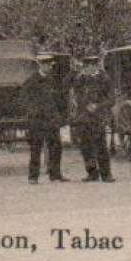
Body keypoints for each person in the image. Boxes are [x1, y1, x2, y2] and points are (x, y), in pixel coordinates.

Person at [69, 54, 114, 183]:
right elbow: (75, 94)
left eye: (90, 67)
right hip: (83, 116)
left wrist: (98, 106)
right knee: (85, 146)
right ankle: (92, 173)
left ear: (95, 66)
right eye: (85, 67)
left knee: (100, 145)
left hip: (98, 117)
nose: (87, 70)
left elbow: (111, 99)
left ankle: (106, 174)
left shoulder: (104, 79)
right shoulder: (80, 79)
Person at [23, 55, 66, 184]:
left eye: (49, 65)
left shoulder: (54, 80)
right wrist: (33, 112)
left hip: (51, 119)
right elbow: (24, 100)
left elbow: (61, 99)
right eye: (44, 64)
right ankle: (33, 177)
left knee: (55, 146)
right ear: (39, 65)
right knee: (36, 147)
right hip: (37, 120)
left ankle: (55, 175)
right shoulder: (31, 81)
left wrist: (60, 115)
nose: (47, 67)